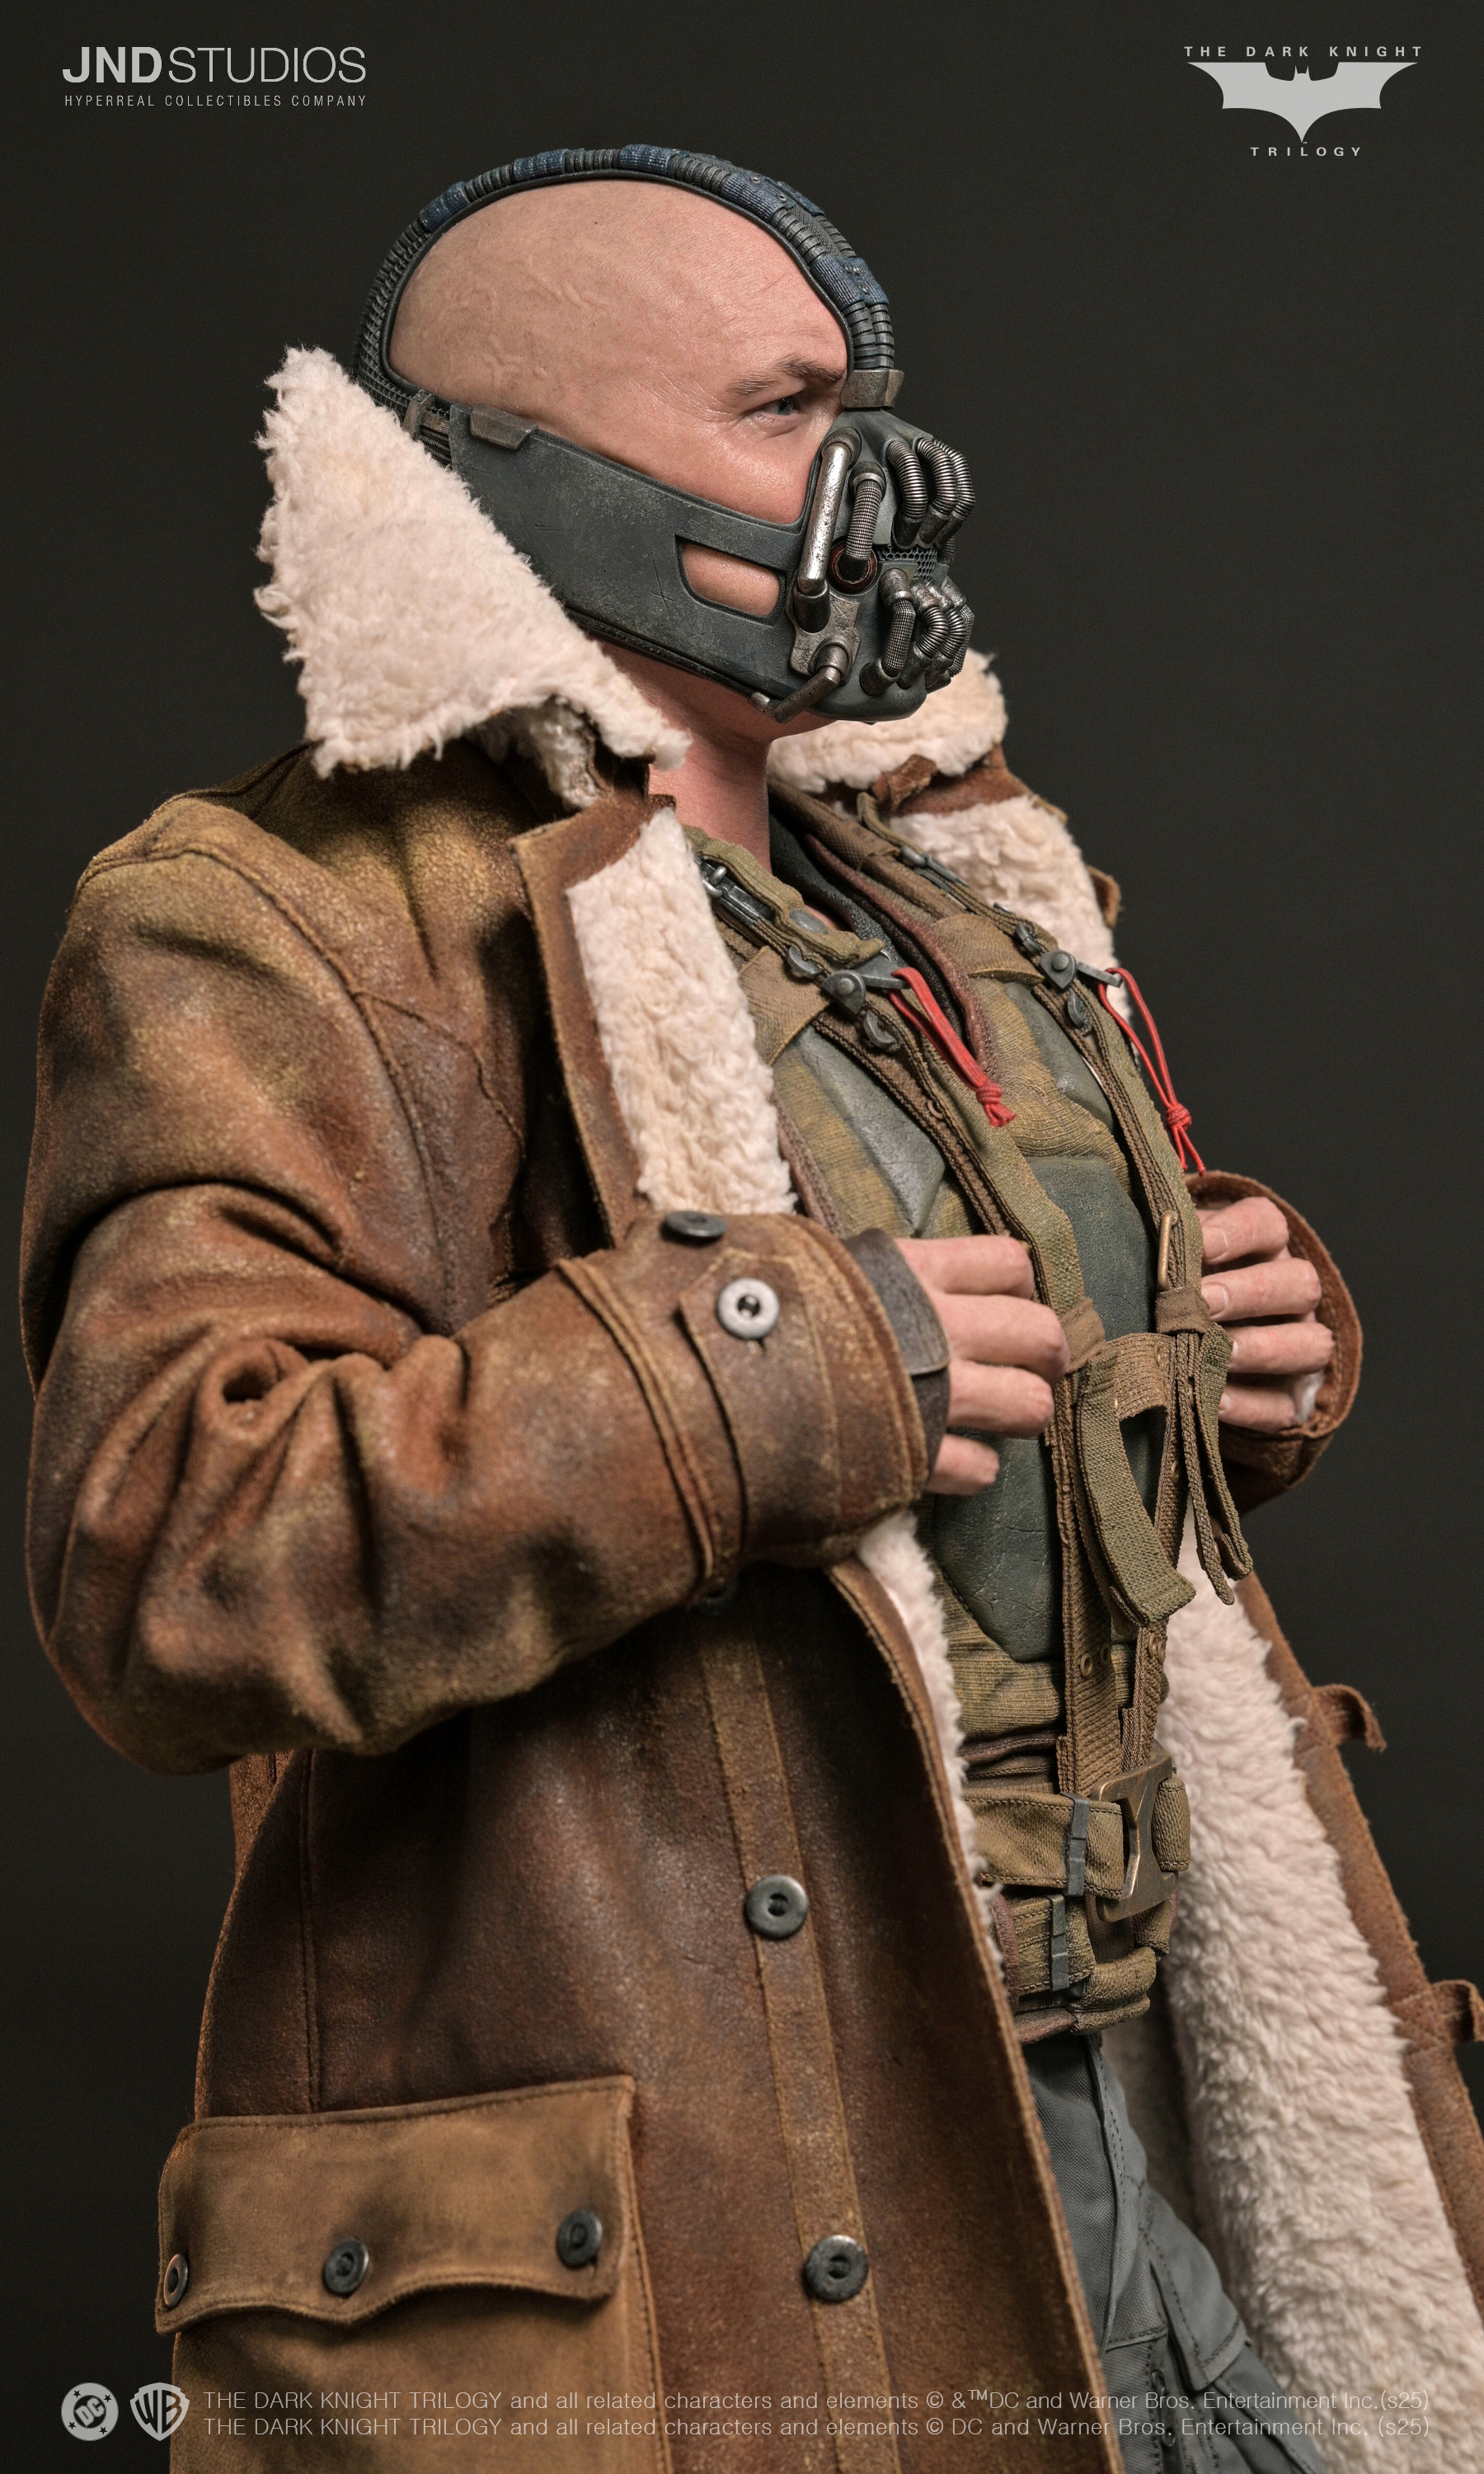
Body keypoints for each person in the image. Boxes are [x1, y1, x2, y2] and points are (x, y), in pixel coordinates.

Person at [21, 149, 1484, 2472]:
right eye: (788, 412)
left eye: (864, 406)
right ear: (524, 467)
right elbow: (173, 1554)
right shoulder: (281, 916)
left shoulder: (941, 878)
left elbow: (974, 1399)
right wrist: (766, 1377)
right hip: (743, 2174)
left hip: (1141, 2096)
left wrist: (1208, 1337)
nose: (888, 481)